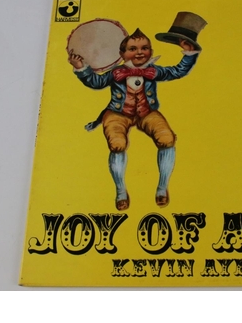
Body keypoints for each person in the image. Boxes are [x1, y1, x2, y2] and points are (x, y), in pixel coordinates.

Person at [68, 13, 205, 210]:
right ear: (122, 54)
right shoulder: (116, 72)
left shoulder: (154, 71)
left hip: (147, 112)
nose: (139, 52)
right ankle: (120, 190)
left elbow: (177, 71)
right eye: (133, 49)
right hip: (118, 113)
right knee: (117, 145)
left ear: (151, 51)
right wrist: (81, 68)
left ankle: (162, 187)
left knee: (167, 139)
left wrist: (189, 54)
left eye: (144, 48)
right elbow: (96, 83)